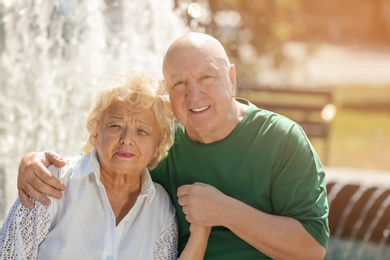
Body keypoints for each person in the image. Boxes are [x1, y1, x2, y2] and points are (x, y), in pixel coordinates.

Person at [16, 32, 329, 259]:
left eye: (207, 77)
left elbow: (311, 249)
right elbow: (99, 161)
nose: (194, 95)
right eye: (179, 83)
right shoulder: (159, 143)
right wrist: (35, 162)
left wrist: (225, 211)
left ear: (231, 79)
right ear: (168, 93)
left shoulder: (282, 140)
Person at [0, 70, 210, 259]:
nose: (127, 139)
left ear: (158, 144)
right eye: (115, 125)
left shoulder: (161, 206)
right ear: (95, 131)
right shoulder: (51, 182)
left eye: (142, 131)